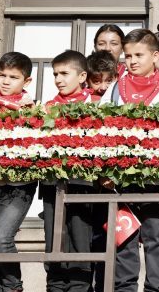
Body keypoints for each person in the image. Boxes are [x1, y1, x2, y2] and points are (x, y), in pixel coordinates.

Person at [99, 29, 159, 292]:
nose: (132, 61)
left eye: (138, 55)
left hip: (156, 178)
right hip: (121, 179)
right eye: (128, 55)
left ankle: (158, 288)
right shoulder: (113, 88)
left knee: (157, 237)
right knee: (124, 237)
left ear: (155, 56)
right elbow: (101, 129)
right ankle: (124, 288)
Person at [42, 50, 97, 292]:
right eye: (55, 74)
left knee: (80, 242)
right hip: (52, 184)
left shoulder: (95, 105)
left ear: (83, 76)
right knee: (54, 240)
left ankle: (79, 287)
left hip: (83, 185)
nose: (58, 79)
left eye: (65, 73)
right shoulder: (47, 108)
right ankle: (53, 286)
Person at [0, 52, 37, 292]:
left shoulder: (33, 108)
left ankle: (14, 286)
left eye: (13, 77)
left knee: (2, 239)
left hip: (20, 186)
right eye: (2, 75)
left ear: (26, 82)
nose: (5, 81)